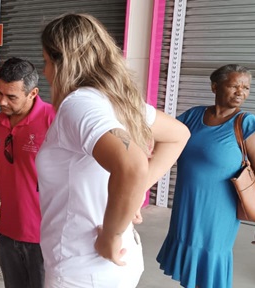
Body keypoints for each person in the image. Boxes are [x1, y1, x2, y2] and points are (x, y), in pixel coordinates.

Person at [36, 13, 190, 287]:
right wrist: (134, 193)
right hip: (107, 266)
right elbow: (179, 135)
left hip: (82, 269)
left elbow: (131, 165)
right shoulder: (113, 101)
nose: (46, 72)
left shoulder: (79, 105)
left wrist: (111, 235)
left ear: (62, 63)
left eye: (46, 62)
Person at [157, 64, 255, 288]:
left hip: (218, 212)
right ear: (215, 86)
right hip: (187, 204)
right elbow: (162, 138)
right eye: (234, 85)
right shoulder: (193, 116)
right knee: (189, 263)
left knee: (210, 263)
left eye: (246, 87)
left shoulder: (247, 124)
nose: (241, 92)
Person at [0, 57, 54, 286]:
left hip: (45, 236)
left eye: (11, 97)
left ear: (33, 93)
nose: (2, 102)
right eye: (0, 93)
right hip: (8, 233)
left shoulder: (53, 120)